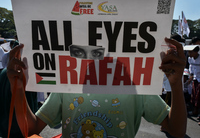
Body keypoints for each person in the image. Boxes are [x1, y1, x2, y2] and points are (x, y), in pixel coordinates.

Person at [5, 38, 187, 138]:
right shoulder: (67, 86)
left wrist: (176, 85)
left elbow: (176, 130)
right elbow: (31, 129)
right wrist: (18, 90)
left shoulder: (135, 87)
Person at [188, 45, 200, 116]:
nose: (189, 53)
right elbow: (191, 67)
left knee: (198, 96)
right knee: (194, 95)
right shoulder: (190, 59)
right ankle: (195, 111)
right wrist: (191, 74)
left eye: (191, 52)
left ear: (196, 52)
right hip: (195, 79)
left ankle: (196, 111)